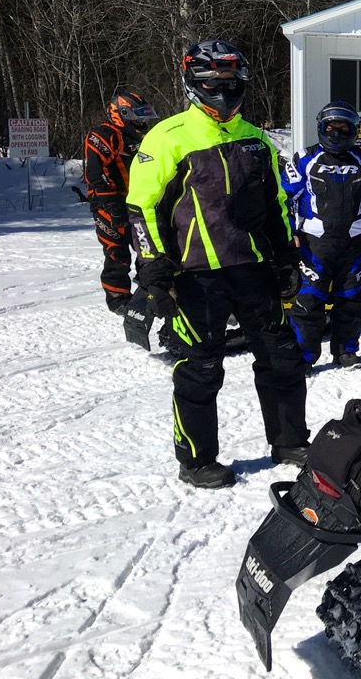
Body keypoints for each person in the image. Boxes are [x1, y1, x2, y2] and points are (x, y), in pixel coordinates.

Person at [127, 40, 309, 489]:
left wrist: (287, 258)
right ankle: (196, 460)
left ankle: (289, 441)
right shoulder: (167, 137)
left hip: (254, 266)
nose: (223, 91)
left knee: (282, 357)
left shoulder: (257, 138)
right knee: (200, 367)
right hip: (194, 274)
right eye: (213, 83)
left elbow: (277, 204)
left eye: (231, 83)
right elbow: (142, 208)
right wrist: (152, 268)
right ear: (195, 83)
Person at [282, 101, 361, 370]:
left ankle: (347, 351)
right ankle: (304, 356)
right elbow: (284, 197)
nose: (336, 133)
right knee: (310, 300)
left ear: (354, 131)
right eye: (331, 127)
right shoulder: (304, 158)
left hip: (354, 242)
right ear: (321, 128)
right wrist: (289, 233)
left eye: (343, 128)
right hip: (314, 243)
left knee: (350, 298)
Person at [82, 93, 159, 313]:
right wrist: (110, 202)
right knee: (117, 252)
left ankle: (150, 289)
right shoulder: (103, 135)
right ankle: (118, 300)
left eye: (143, 117)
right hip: (109, 202)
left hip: (140, 201)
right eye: (137, 117)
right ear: (122, 115)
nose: (142, 123)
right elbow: (96, 173)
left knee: (149, 249)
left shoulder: (145, 137)